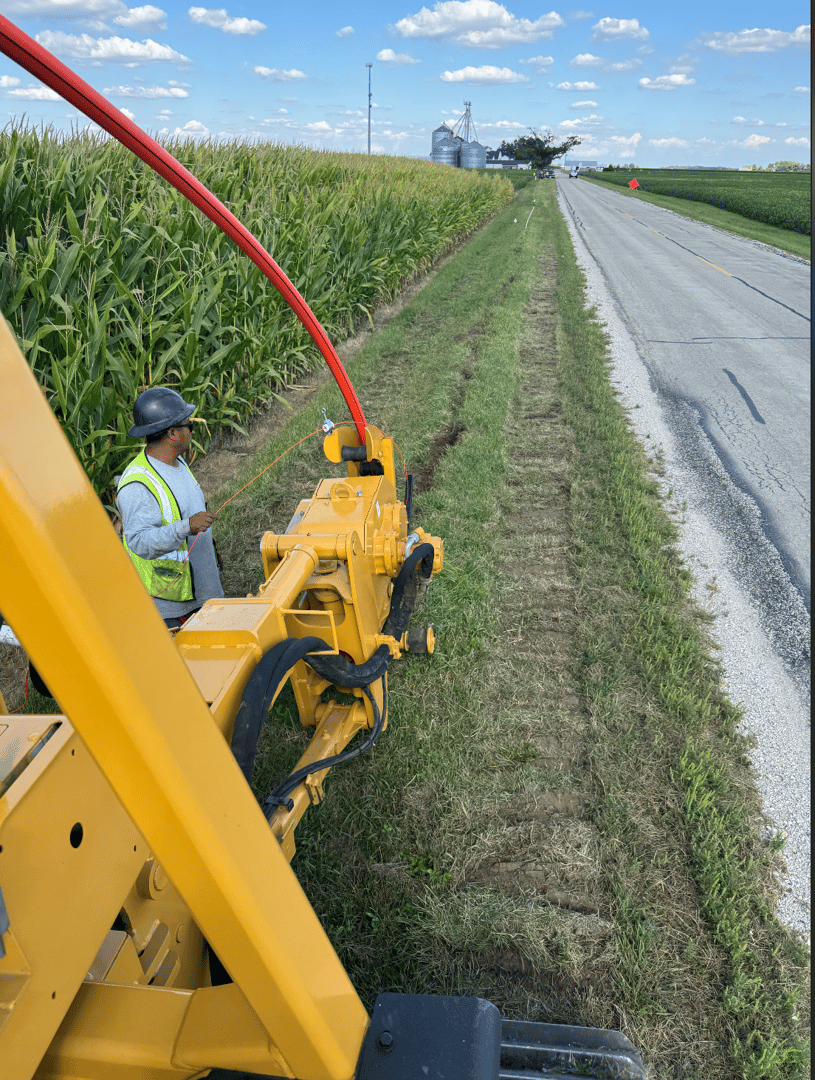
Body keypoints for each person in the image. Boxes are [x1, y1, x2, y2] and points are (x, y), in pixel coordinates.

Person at [117, 387, 224, 628]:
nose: (192, 431)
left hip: (200, 593)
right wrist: (186, 527)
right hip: (172, 606)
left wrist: (211, 556)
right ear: (173, 433)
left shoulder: (178, 461)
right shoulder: (137, 485)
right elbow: (139, 542)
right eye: (189, 426)